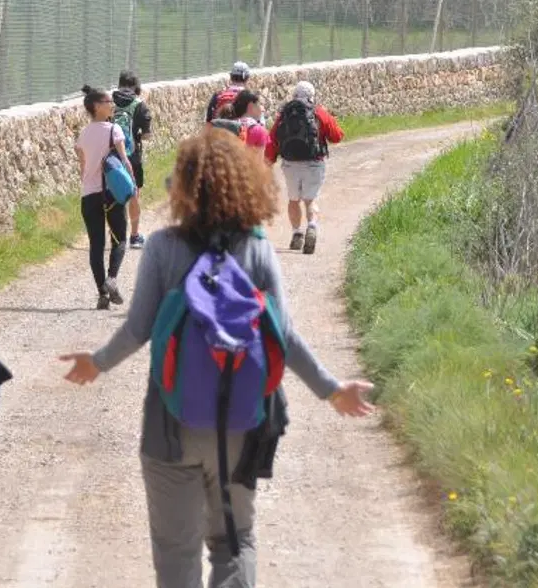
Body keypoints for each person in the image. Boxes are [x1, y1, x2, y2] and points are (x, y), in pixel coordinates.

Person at [59, 129, 374, 588]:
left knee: (176, 553)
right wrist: (331, 389)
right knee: (235, 542)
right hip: (242, 424)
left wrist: (97, 363)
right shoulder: (258, 247)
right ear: (247, 182)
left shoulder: (165, 248)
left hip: (170, 425)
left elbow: (137, 330)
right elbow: (282, 334)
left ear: (183, 186)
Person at [266, 81, 344, 256]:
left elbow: (273, 139)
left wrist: (269, 160)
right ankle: (311, 226)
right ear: (311, 95)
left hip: (290, 164)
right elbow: (337, 136)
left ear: (294, 95)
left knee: (294, 200)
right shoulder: (318, 112)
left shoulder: (284, 114)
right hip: (314, 163)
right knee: (310, 200)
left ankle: (296, 234)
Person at [77, 84, 135, 309]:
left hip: (89, 195)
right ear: (96, 107)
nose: (112, 105)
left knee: (96, 244)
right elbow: (125, 161)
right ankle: (112, 278)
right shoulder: (113, 130)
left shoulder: (83, 134)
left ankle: (102, 294)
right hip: (112, 193)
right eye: (108, 102)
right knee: (120, 239)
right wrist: (132, 185)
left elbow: (83, 169)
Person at [112, 71, 154, 250]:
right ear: (136, 86)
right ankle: (134, 237)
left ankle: (116, 235)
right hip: (132, 156)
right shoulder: (140, 105)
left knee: (113, 194)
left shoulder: (109, 103)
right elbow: (146, 136)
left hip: (112, 156)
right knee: (134, 193)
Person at [229, 89, 271, 156]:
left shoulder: (228, 126)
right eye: (260, 104)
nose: (263, 109)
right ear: (251, 106)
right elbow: (258, 163)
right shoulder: (259, 131)